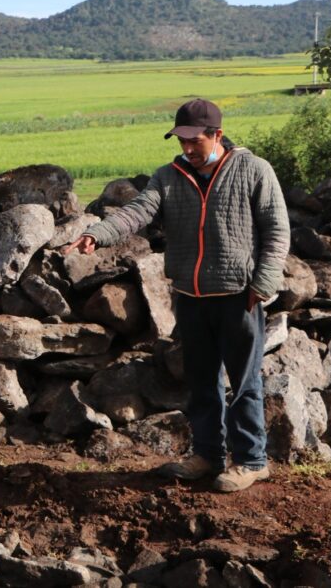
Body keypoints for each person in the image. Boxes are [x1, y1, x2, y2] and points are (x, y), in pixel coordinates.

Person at [64, 99, 289, 492]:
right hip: (191, 295)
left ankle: (252, 460)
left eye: (194, 141)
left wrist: (263, 285)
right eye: (181, 141)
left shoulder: (254, 170)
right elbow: (137, 212)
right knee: (201, 381)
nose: (187, 148)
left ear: (217, 135)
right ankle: (207, 455)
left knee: (244, 382)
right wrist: (97, 234)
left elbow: (277, 229)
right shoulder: (168, 176)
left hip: (239, 296)